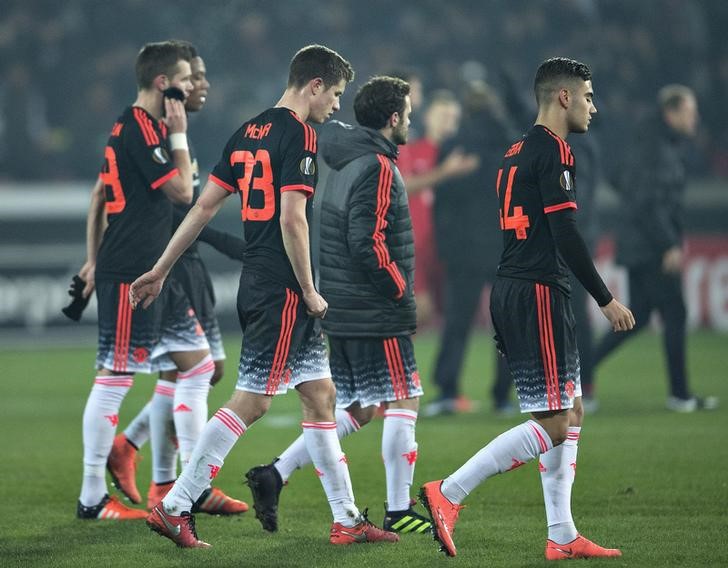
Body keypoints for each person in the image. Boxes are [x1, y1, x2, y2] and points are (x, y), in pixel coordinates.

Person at [130, 44, 399, 548]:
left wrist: (161, 268)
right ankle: (175, 505)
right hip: (283, 290)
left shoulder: (247, 131)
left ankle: (345, 519)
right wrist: (310, 289)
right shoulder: (298, 135)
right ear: (314, 85)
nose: (337, 106)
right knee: (250, 403)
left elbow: (203, 208)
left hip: (261, 281)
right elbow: (292, 218)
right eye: (336, 94)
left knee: (321, 398)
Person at [419, 57, 635, 560]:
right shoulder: (554, 151)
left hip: (519, 285)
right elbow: (565, 232)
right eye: (586, 96)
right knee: (557, 421)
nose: (592, 107)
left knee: (570, 410)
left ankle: (561, 534)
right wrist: (605, 299)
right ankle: (447, 493)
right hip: (537, 290)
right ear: (563, 97)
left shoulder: (514, 150)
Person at [244, 76, 433, 536]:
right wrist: (397, 288)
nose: (411, 120)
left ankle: (277, 472)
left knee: (359, 407)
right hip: (374, 309)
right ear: (393, 119)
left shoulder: (342, 162)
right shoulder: (378, 167)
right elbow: (366, 241)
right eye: (407, 113)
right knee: (403, 398)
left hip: (344, 307)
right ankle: (397, 508)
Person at [106, 42, 249, 514]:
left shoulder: (157, 129)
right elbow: (186, 201)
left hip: (178, 264)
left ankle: (153, 470)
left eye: (202, 77)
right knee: (194, 369)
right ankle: (178, 483)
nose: (200, 86)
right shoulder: (152, 132)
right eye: (193, 77)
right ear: (168, 84)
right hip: (166, 268)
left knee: (190, 370)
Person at [76, 41, 213, 521]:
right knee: (115, 377)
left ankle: (191, 486)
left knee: (198, 366)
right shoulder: (140, 127)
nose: (190, 85)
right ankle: (92, 496)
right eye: (183, 77)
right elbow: (182, 190)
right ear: (163, 83)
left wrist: (90, 260)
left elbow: (99, 195)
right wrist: (179, 136)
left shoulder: (137, 125)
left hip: (154, 270)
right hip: (131, 270)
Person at [590, 85, 718, 413]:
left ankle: (578, 373)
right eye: (690, 112)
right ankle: (680, 394)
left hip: (639, 244)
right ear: (671, 113)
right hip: (650, 247)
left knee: (637, 317)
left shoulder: (648, 143)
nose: (695, 118)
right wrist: (667, 244)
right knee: (674, 313)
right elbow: (649, 202)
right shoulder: (657, 149)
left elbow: (622, 181)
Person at [424, 80, 515, 417]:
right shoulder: (510, 148)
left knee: (457, 324)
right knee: (505, 324)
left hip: (463, 251)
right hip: (503, 248)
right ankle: (503, 395)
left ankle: (447, 389)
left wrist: (446, 246)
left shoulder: (455, 146)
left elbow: (441, 205)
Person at [397, 90, 479, 327]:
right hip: (415, 243)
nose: (448, 123)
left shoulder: (465, 158)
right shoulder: (410, 150)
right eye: (442, 116)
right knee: (420, 310)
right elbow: (401, 186)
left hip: (450, 245)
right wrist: (445, 172)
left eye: (453, 118)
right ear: (427, 117)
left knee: (452, 318)